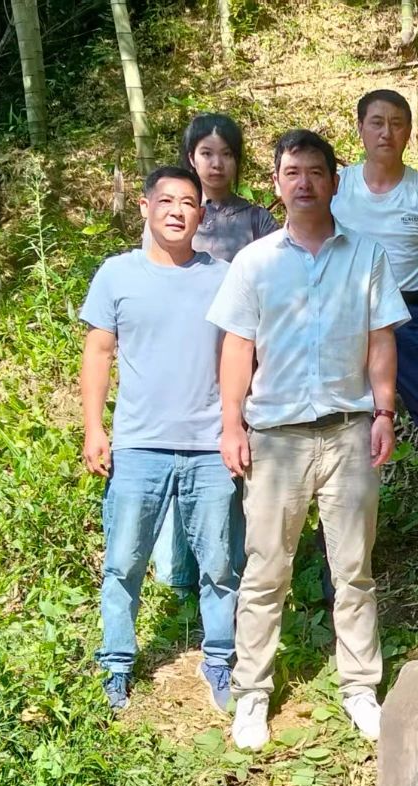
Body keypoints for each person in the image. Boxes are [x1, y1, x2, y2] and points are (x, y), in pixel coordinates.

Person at [208, 130, 409, 750]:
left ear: (334, 181)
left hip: (349, 432)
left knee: (354, 570)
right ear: (276, 182)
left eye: (316, 172)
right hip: (275, 438)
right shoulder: (255, 262)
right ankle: (251, 694)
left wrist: (383, 412)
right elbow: (237, 347)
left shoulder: (366, 255)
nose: (304, 182)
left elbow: (381, 339)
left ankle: (360, 689)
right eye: (292, 172)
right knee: (266, 571)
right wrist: (232, 423)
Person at [80, 166, 241, 713]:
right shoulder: (116, 274)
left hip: (210, 446)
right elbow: (98, 352)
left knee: (220, 564)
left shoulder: (224, 277)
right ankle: (116, 666)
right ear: (145, 207)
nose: (177, 211)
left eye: (188, 202)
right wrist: (94, 428)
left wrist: (237, 426)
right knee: (124, 562)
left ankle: (219, 659)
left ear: (202, 213)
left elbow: (240, 356)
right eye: (166, 200)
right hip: (138, 446)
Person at [146, 114, 279, 595]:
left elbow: (275, 284)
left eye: (226, 154)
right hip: (183, 355)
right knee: (177, 453)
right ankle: (177, 573)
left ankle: (233, 566)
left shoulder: (257, 220)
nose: (216, 163)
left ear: (238, 161)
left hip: (243, 354)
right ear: (190, 158)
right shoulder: (172, 216)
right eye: (206, 153)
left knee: (234, 458)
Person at [330, 89, 418, 566]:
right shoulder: (338, 186)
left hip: (411, 317)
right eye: (377, 122)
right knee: (339, 433)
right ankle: (338, 554)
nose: (386, 132)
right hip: (346, 320)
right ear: (360, 128)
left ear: (409, 131)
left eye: (397, 123)